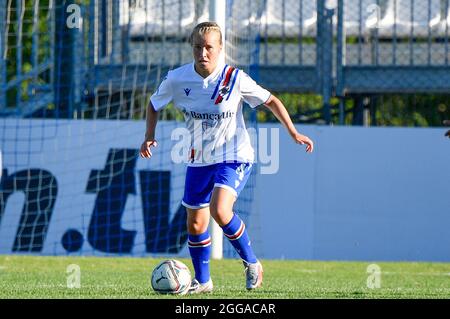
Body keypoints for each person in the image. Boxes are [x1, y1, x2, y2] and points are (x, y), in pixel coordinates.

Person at [140, 22, 314, 294]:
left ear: (220, 48)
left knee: (219, 210)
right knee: (195, 223)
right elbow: (153, 104)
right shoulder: (177, 79)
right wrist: (149, 135)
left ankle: (252, 263)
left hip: (234, 156)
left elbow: (271, 101)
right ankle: (203, 281)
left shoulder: (234, 78)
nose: (203, 53)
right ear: (192, 48)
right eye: (198, 47)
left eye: (209, 47)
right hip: (199, 159)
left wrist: (293, 132)